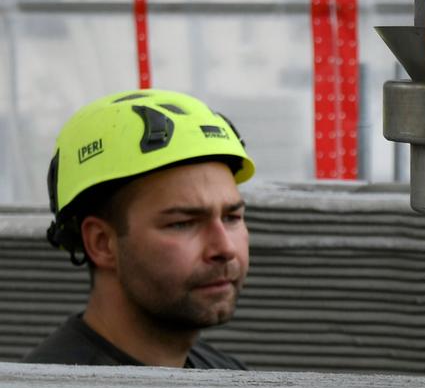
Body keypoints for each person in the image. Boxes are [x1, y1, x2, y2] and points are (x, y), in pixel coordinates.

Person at [22, 89, 255, 369]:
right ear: (101, 243)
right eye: (182, 223)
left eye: (232, 217)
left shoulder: (228, 375)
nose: (225, 248)